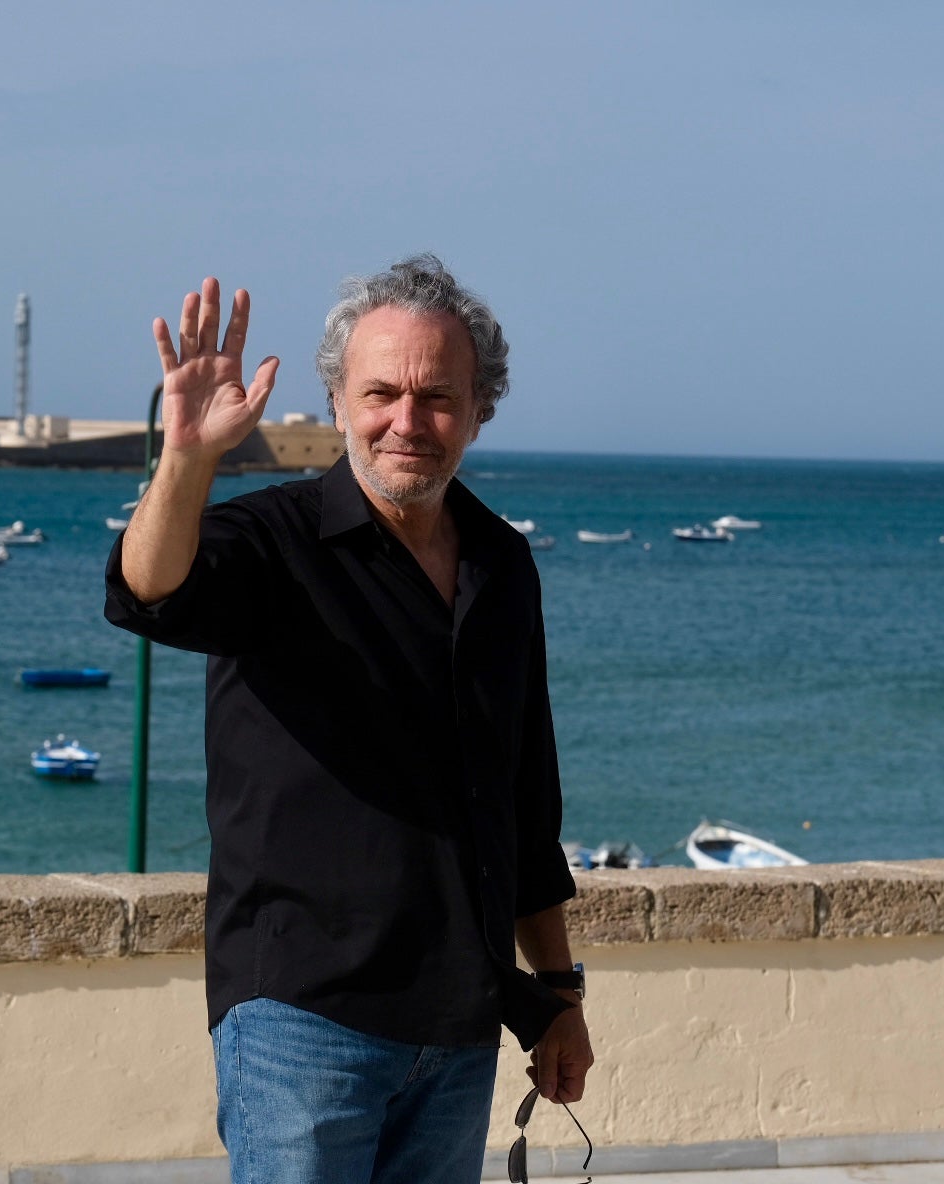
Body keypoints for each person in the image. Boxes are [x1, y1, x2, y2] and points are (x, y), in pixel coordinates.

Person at [104, 256, 593, 1184]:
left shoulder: (501, 564)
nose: (406, 421)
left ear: (480, 409)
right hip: (302, 1020)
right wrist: (187, 459)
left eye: (437, 397)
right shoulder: (270, 544)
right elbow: (148, 590)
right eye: (380, 393)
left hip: (460, 1024)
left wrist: (558, 994)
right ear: (336, 402)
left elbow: (525, 804)